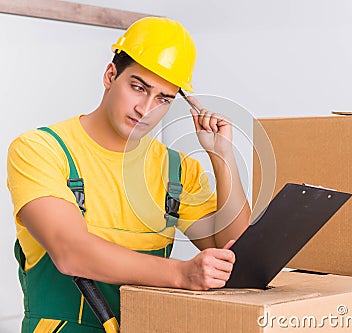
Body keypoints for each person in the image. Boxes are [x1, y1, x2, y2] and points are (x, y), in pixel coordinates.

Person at [7, 17, 250, 332]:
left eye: (163, 99)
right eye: (138, 87)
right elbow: (70, 252)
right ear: (110, 75)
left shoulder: (177, 170)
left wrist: (222, 156)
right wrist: (182, 274)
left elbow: (235, 252)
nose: (145, 109)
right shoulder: (41, 149)